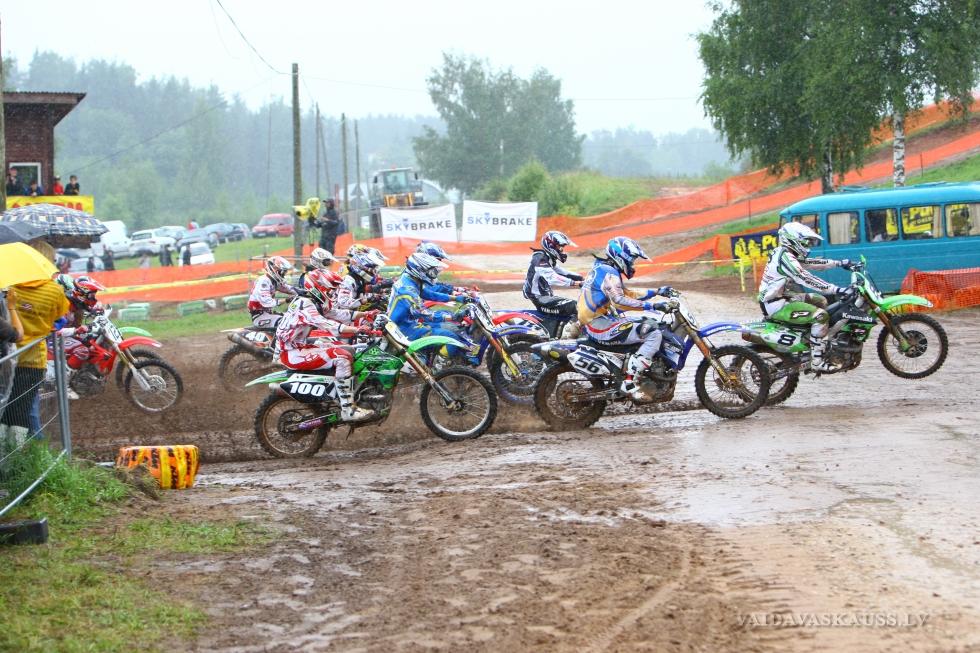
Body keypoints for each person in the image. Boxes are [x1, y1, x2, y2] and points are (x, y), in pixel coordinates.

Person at [577, 237, 678, 401]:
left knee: (648, 322)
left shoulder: (605, 269)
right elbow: (620, 301)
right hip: (598, 324)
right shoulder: (608, 272)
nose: (632, 264)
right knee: (652, 333)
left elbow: (628, 294)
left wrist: (657, 291)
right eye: (631, 259)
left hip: (600, 320)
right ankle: (630, 383)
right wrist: (653, 306)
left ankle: (634, 370)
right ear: (620, 256)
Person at [275, 269, 375, 422]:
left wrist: (365, 314)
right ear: (317, 288)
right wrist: (357, 329)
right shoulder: (305, 304)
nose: (331, 293)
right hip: (292, 353)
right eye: (328, 290)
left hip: (299, 347)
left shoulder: (312, 301)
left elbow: (336, 313)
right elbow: (328, 324)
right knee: (342, 357)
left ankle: (343, 391)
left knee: (348, 348)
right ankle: (348, 409)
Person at [758, 222, 853, 372]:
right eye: (805, 242)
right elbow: (806, 278)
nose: (807, 245)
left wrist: (839, 263)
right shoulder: (785, 258)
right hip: (776, 305)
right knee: (820, 316)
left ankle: (814, 340)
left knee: (820, 300)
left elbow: (811, 263)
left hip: (783, 297)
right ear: (792, 240)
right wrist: (836, 289)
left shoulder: (784, 253)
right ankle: (817, 361)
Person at [1, 275, 70, 443]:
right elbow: (60, 316)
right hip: (32, 358)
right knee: (22, 409)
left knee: (5, 409)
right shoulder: (54, 290)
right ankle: (15, 453)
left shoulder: (9, 286)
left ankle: (6, 452)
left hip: (8, 358)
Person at [387, 252, 477, 364]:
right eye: (431, 272)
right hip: (404, 330)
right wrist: (453, 317)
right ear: (419, 270)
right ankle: (439, 369)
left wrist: (456, 298)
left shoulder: (409, 281)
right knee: (452, 338)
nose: (434, 274)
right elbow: (425, 313)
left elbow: (430, 294)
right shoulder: (407, 290)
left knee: (450, 327)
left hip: (406, 325)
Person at [523, 230, 584, 328]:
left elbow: (562, 272)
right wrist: (577, 283)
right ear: (551, 246)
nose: (562, 250)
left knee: (575, 307)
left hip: (544, 297)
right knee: (576, 306)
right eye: (560, 247)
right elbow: (553, 278)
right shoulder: (540, 259)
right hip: (540, 299)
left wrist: (582, 278)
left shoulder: (547, 258)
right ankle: (570, 332)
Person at [247, 256, 297, 329]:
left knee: (295, 318)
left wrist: (305, 292)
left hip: (268, 314)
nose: (283, 274)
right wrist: (286, 300)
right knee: (286, 322)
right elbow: (267, 302)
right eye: (282, 272)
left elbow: (289, 289)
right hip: (260, 317)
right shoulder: (263, 281)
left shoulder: (273, 281)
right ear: (274, 270)